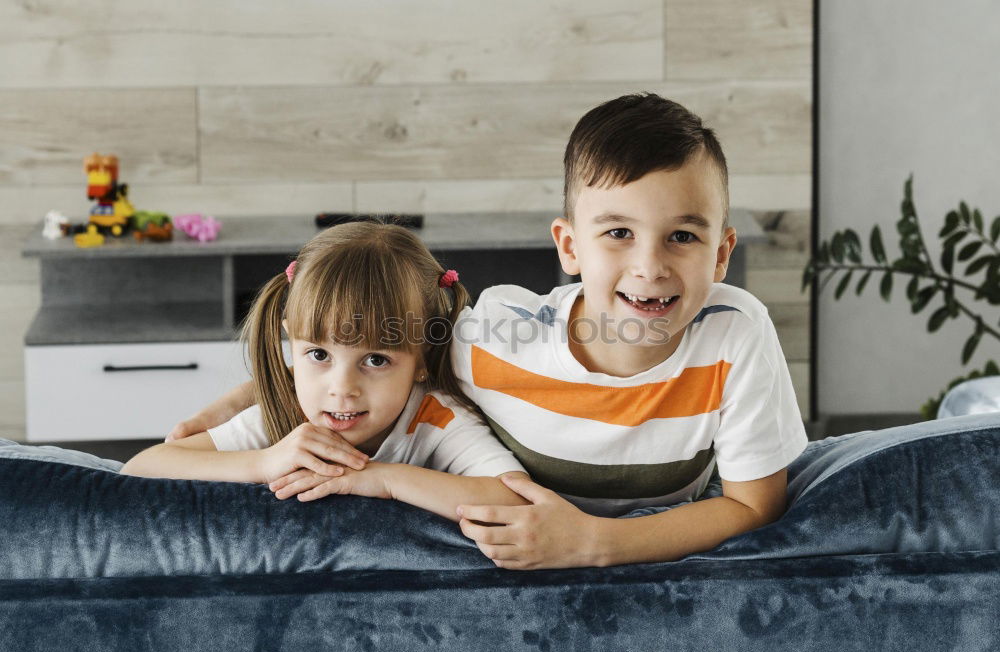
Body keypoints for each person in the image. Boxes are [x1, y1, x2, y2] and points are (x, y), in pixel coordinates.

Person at [168, 93, 808, 568]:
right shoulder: (502, 335)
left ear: (721, 255)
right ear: (569, 246)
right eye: (618, 232)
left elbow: (754, 507)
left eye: (683, 237)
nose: (650, 266)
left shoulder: (736, 334)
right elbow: (376, 343)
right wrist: (248, 393)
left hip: (620, 546)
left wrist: (596, 543)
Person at [121, 222, 529, 521]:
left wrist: (385, 480)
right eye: (318, 354)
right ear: (291, 345)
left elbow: (517, 500)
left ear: (422, 358)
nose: (341, 389)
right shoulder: (289, 418)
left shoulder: (435, 418)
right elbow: (140, 468)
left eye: (376, 360)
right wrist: (262, 463)